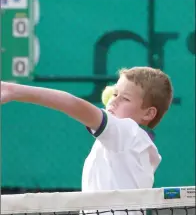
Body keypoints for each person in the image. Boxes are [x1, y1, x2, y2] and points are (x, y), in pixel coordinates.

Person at [1, 66, 173, 193]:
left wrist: (12, 90)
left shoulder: (128, 134)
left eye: (126, 99)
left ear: (148, 113)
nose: (114, 101)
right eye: (114, 94)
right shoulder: (140, 144)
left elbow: (73, 104)